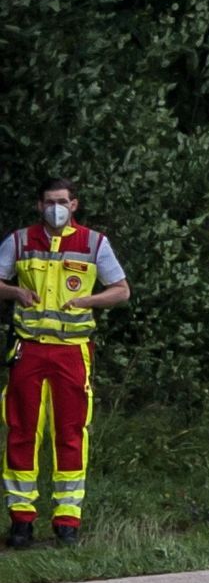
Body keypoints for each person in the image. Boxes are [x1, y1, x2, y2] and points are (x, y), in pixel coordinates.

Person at [4, 182, 124, 547]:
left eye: (62, 202)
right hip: (30, 349)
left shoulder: (93, 243)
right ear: (39, 204)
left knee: (70, 434)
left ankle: (67, 519)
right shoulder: (20, 240)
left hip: (73, 351)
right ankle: (21, 520)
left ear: (74, 204)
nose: (56, 208)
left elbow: (121, 290)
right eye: (49, 202)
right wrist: (16, 292)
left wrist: (91, 300)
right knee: (21, 430)